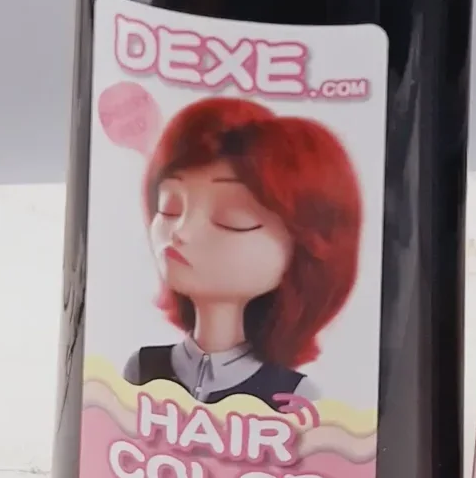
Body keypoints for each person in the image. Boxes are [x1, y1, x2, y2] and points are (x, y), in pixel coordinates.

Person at [123, 96, 361, 408]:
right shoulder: (143, 369)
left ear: (306, 250)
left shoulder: (292, 397)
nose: (181, 231)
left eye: (231, 219)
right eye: (170, 206)